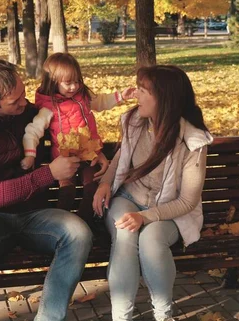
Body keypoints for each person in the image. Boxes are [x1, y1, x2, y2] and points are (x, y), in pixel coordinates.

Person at [0, 59, 93, 321]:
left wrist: (92, 153)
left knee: (78, 233)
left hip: (34, 212)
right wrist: (49, 173)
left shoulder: (30, 114)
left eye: (23, 95)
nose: (24, 104)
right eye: (14, 102)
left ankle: (49, 318)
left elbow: (72, 123)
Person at [92, 65, 213, 321]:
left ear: (164, 99)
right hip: (128, 198)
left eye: (143, 90)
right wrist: (105, 183)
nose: (135, 95)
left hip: (169, 209)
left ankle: (163, 315)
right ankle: (121, 318)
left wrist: (146, 217)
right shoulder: (134, 121)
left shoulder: (192, 140)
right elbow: (121, 157)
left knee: (151, 241)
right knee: (124, 234)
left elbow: (188, 200)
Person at [21, 52, 134, 229]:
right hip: (65, 159)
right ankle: (60, 226)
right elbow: (33, 132)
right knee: (67, 191)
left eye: (77, 81)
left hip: (89, 155)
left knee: (91, 188)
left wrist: (120, 96)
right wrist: (30, 155)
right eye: (68, 83)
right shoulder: (48, 108)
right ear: (53, 82)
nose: (74, 86)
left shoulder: (84, 96)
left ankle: (84, 223)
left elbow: (101, 102)